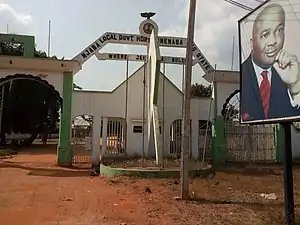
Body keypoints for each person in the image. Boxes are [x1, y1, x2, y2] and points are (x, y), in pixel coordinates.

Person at [241, 3, 300, 122]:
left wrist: (296, 89)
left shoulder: (291, 71)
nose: (273, 41)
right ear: (252, 43)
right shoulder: (242, 75)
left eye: (279, 30)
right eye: (265, 35)